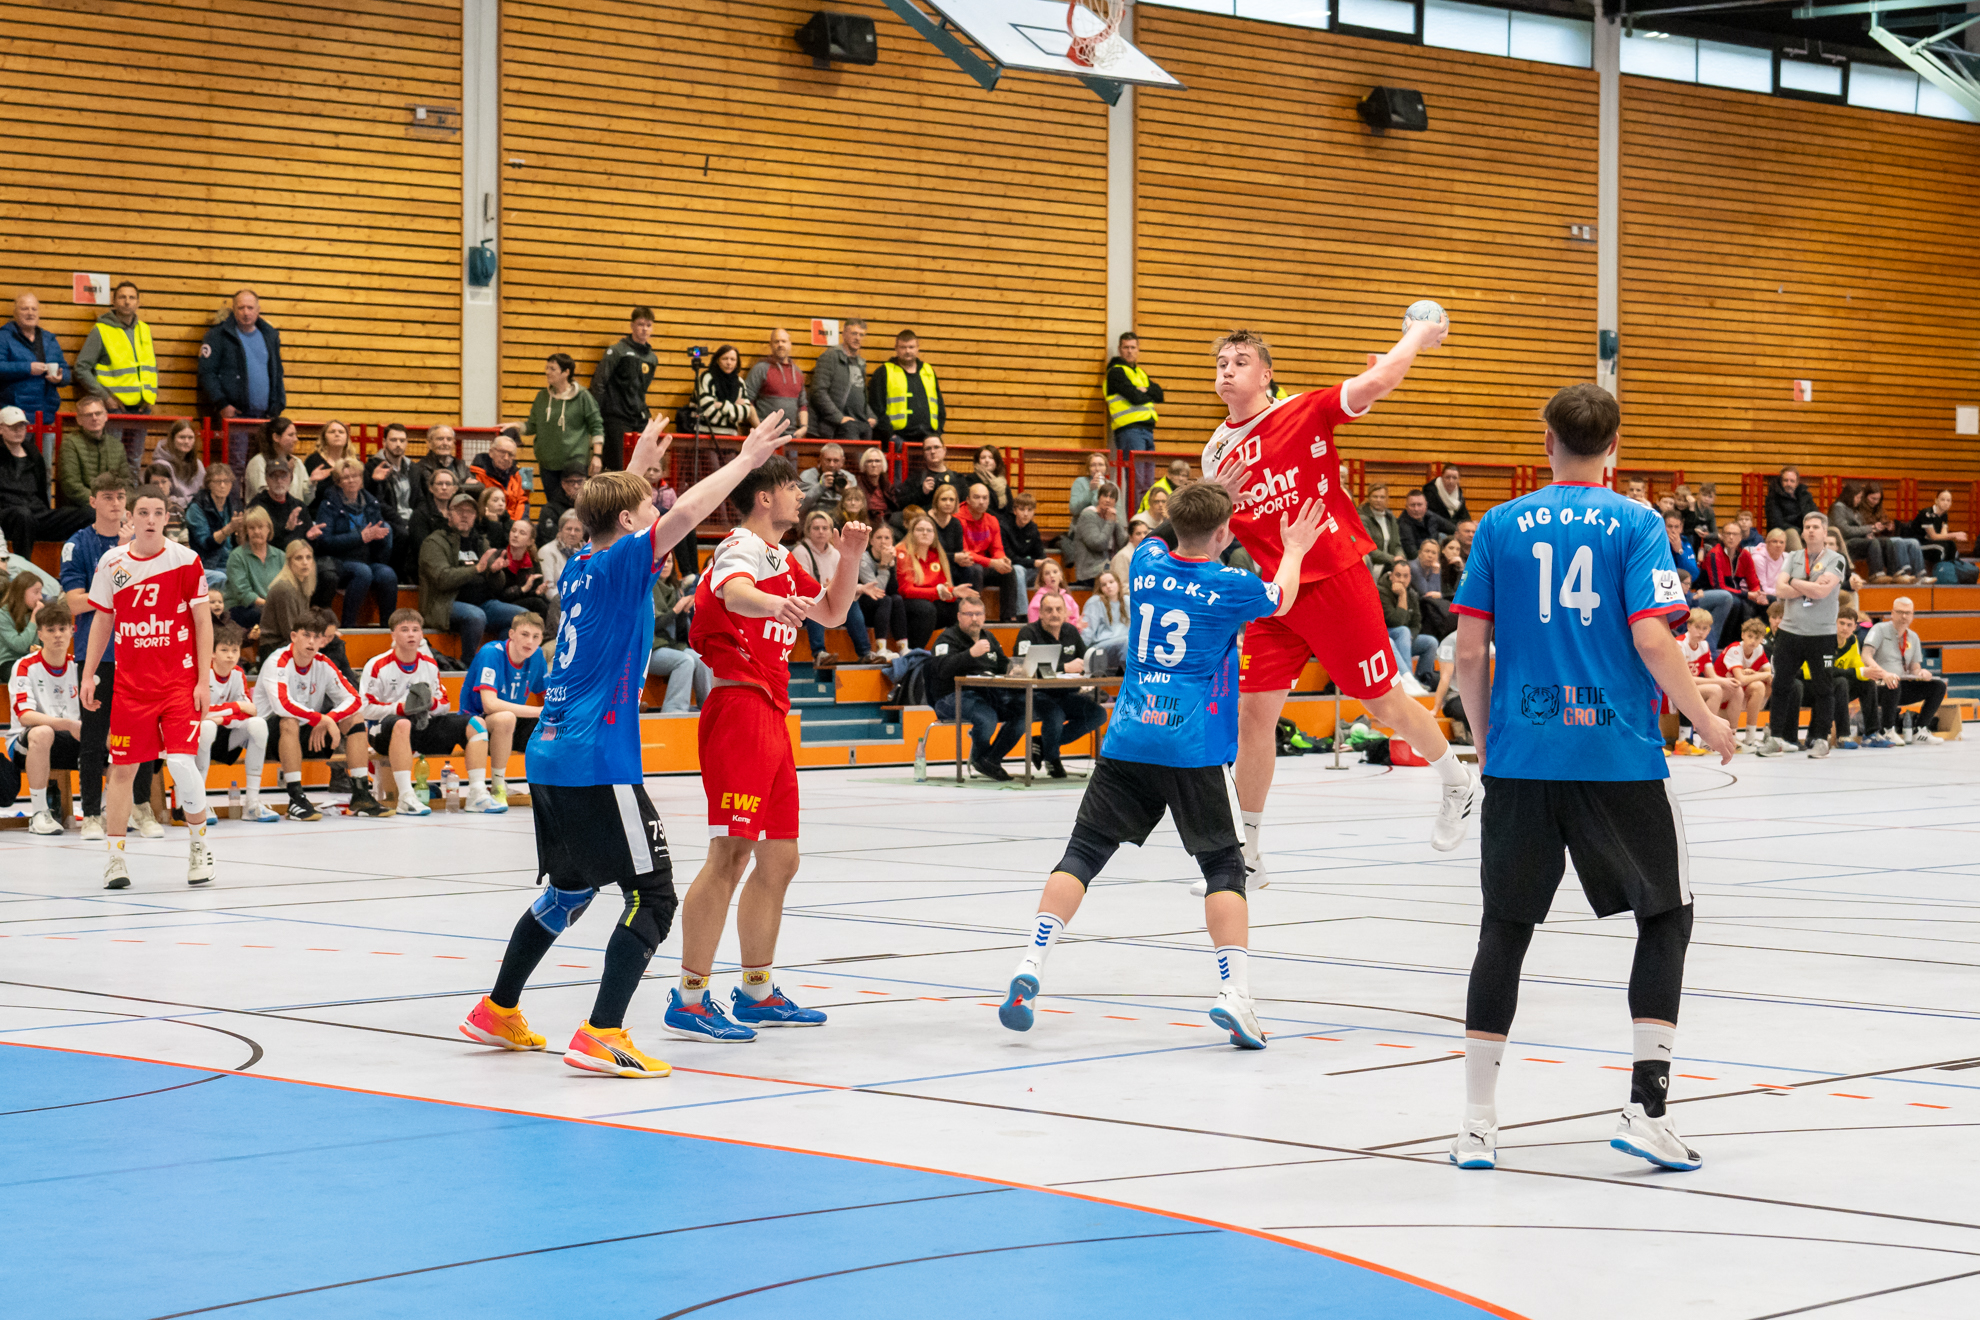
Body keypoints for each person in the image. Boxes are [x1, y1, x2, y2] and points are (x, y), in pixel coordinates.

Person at [1447, 381, 1733, 1175]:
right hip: (1617, 756)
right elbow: (1653, 637)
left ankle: (1476, 1126)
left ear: (1547, 442)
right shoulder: (1637, 524)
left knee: (1504, 928)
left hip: (1522, 756)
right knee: (1665, 915)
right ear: (1614, 447)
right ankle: (1646, 1109)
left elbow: (1468, 653)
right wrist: (1704, 720)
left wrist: (1488, 742)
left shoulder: (1498, 525)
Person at [456, 412, 795, 1077]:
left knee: (570, 892)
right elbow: (687, 513)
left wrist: (635, 466)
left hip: (550, 752)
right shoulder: (621, 561)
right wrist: (747, 461)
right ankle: (603, 1032)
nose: (657, 511)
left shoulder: (581, 564)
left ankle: (497, 1009)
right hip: (596, 759)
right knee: (654, 896)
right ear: (631, 523)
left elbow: (608, 510)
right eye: (647, 506)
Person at [1002, 482, 1325, 1045]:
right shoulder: (1231, 584)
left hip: (1129, 736)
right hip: (1193, 746)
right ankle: (1235, 995)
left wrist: (1211, 499)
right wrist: (1295, 547)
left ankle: (1031, 961)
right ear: (1223, 533)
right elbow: (1285, 597)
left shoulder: (1145, 563)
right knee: (1225, 867)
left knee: (1082, 853)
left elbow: (1170, 530)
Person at [1192, 324, 1477, 879]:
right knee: (1253, 717)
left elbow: (1378, 381)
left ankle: (1457, 780)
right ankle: (1246, 851)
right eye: (1221, 362)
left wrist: (1415, 337)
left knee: (1384, 705)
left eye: (1240, 361)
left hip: (1336, 580)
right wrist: (1219, 500)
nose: (1227, 370)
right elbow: (1215, 536)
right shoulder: (1216, 452)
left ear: (1266, 374)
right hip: (1277, 594)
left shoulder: (1303, 411)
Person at [79, 488, 215, 888]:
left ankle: (199, 845)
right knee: (122, 769)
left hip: (178, 683)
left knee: (180, 763)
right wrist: (88, 674)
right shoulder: (112, 562)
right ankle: (115, 859)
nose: (151, 519)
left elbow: (203, 621)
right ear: (130, 518)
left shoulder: (185, 560)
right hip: (131, 686)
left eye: (159, 512)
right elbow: (103, 620)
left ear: (167, 518)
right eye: (143, 512)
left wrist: (203, 680)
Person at [61, 472, 160, 841]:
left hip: (140, 650)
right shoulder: (78, 545)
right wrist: (118, 568)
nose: (116, 503)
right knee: (94, 737)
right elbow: (74, 602)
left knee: (143, 733)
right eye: (107, 496)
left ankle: (141, 808)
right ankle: (90, 814)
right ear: (93, 501)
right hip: (97, 654)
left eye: (120, 496)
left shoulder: (144, 543)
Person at [360, 608, 503, 815]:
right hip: (383, 731)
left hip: (422, 726)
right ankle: (406, 797)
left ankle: (477, 793)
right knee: (402, 723)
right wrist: (401, 708)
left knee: (476, 724)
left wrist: (430, 704)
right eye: (404, 630)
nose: (411, 634)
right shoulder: (376, 665)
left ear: (422, 635)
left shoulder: (429, 664)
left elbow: (444, 704)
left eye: (415, 630)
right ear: (393, 635)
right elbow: (365, 708)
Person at [254, 607, 381, 820]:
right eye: (306, 635)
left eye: (316, 637)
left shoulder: (323, 663)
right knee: (289, 720)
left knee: (355, 719)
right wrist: (320, 718)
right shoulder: (277, 662)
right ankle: (296, 799)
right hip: (267, 738)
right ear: (294, 636)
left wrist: (330, 718)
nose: (311, 642)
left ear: (323, 640)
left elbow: (355, 700)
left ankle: (361, 795)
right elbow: (283, 705)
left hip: (312, 733)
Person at [1755, 512, 1847, 758]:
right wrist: (1809, 585)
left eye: (1816, 527)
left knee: (1823, 688)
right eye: (1807, 527)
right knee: (1781, 685)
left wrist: (1794, 582)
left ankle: (1821, 739)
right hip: (1790, 632)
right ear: (1803, 532)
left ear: (1825, 532)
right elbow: (1779, 590)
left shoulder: (1836, 559)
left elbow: (1822, 593)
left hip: (1822, 635)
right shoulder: (1794, 557)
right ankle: (1776, 738)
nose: (1811, 530)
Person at [1011, 591, 1107, 777]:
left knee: (1098, 714)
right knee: (1055, 715)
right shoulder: (1028, 633)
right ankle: (1052, 758)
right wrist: (1065, 667)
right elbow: (1022, 667)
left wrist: (1092, 668)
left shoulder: (1071, 631)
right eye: (1049, 610)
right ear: (1040, 613)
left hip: (1066, 693)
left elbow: (1086, 660)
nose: (1054, 614)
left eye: (1058, 609)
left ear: (1065, 613)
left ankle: (1043, 743)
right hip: (1036, 694)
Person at [929, 595, 1025, 781]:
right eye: (969, 614)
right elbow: (941, 669)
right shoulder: (947, 638)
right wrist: (970, 654)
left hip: (987, 694)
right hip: (950, 696)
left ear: (984, 616)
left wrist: (1014, 670)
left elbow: (1003, 664)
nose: (974, 619)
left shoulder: (989, 637)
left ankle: (990, 759)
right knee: (987, 718)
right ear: (959, 616)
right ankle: (981, 758)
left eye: (978, 614)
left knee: (1023, 713)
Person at [460, 609, 550, 804]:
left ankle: (552, 787)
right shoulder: (491, 653)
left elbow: (549, 696)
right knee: (506, 718)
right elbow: (489, 704)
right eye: (524, 634)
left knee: (558, 724)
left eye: (536, 637)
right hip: (474, 720)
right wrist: (539, 711)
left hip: (511, 722)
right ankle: (498, 785)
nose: (530, 641)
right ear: (511, 634)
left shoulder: (537, 656)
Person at [9, 600, 82, 835]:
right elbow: (25, 716)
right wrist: (67, 724)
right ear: (40, 634)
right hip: (25, 743)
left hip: (71, 737)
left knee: (112, 735)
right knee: (43, 732)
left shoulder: (79, 667)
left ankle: (101, 810)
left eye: (62, 629)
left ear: (72, 631)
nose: (57, 635)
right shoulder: (24, 666)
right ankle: (39, 813)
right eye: (50, 630)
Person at [195, 621, 276, 822]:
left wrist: (222, 717)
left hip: (226, 736)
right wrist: (236, 707)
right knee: (207, 726)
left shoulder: (238, 673)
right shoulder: (202, 673)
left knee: (258, 724)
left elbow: (251, 711)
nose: (230, 655)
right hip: (198, 739)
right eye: (224, 650)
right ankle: (198, 804)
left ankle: (252, 804)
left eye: (235, 650)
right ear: (212, 653)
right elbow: (200, 713)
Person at [420, 491, 518, 659]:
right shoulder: (434, 542)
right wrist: (476, 569)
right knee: (475, 615)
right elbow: (442, 579)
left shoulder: (481, 542)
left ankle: (498, 661)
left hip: (482, 603)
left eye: (470, 512)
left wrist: (496, 572)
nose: (464, 515)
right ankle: (469, 666)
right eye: (459, 511)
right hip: (444, 603)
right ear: (449, 514)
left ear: (475, 517)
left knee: (519, 617)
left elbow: (497, 586)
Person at [0, 404, 92, 555]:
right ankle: (24, 567)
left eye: (22, 426)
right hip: (8, 515)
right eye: (12, 426)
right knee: (23, 515)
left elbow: (42, 490)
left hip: (38, 513)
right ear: (1, 429)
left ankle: (82, 562)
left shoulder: (34, 454)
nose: (18, 430)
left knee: (88, 515)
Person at [316, 459, 398, 627]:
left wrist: (380, 538)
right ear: (338, 482)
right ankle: (348, 626)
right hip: (339, 561)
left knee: (388, 574)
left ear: (361, 479)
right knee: (363, 572)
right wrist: (360, 537)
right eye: (346, 478)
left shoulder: (371, 503)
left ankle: (388, 628)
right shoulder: (328, 505)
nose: (351, 480)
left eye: (355, 476)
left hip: (366, 558)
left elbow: (378, 532)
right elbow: (325, 541)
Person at [791, 509, 875, 666]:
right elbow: (802, 587)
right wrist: (827, 587)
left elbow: (843, 583)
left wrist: (861, 588)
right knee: (815, 600)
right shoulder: (800, 551)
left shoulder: (836, 552)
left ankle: (865, 653)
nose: (821, 532)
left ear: (831, 531)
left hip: (830, 598)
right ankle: (819, 653)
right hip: (804, 603)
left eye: (825, 528)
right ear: (808, 530)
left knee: (852, 603)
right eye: (816, 528)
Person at [1863, 597, 1947, 746]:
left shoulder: (1913, 637)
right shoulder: (1879, 629)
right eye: (1900, 612)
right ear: (1892, 613)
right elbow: (1866, 655)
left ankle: (1920, 730)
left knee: (1938, 686)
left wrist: (1921, 673)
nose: (1904, 616)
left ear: (1912, 615)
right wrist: (1884, 674)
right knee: (1893, 682)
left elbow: (1914, 667)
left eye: (1908, 613)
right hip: (1878, 685)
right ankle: (1888, 731)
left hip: (1900, 685)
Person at [590, 306, 659, 470]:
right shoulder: (617, 351)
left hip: (637, 417)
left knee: (644, 464)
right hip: (616, 417)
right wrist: (595, 416)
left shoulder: (652, 358)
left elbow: (641, 390)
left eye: (648, 325)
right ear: (632, 325)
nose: (644, 329)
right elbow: (599, 383)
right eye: (640, 324)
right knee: (617, 466)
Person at [1104, 331, 1165, 497]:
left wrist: (1145, 390)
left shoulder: (1140, 373)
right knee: (1136, 481)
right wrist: (1145, 392)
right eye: (1126, 347)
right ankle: (1135, 515)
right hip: (1130, 432)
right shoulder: (1116, 372)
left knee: (1148, 483)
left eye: (1133, 347)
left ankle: (1145, 514)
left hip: (1147, 431)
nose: (1129, 351)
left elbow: (1160, 394)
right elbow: (1135, 397)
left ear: (1138, 349)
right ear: (1120, 349)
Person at [525, 352, 604, 479]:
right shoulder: (542, 397)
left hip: (575, 463)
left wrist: (597, 456)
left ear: (566, 372)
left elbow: (597, 426)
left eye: (552, 369)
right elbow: (532, 426)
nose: (547, 372)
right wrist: (515, 426)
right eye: (547, 368)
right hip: (547, 464)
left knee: (575, 493)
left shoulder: (583, 396)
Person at [647, 557, 710, 711]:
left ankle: (709, 708)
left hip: (671, 646)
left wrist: (685, 611)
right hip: (650, 649)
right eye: (661, 561)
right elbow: (652, 625)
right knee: (685, 661)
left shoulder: (676, 589)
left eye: (669, 561)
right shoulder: (647, 589)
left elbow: (681, 633)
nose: (665, 565)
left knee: (702, 659)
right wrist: (676, 610)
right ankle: (674, 711)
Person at [897, 510, 972, 638]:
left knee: (956, 606)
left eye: (929, 530)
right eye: (920, 530)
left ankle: (952, 644)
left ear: (934, 535)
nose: (925, 533)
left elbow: (943, 590)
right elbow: (906, 591)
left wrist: (954, 592)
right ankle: (916, 648)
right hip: (906, 604)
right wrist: (937, 591)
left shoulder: (937, 556)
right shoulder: (903, 553)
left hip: (929, 604)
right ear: (912, 533)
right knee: (926, 608)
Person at [58, 396, 137, 510]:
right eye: (88, 415)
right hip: (81, 509)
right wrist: (102, 504)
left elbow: (127, 483)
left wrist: (120, 503)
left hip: (114, 507)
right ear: (79, 420)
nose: (94, 418)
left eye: (98, 413)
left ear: (106, 416)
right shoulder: (70, 443)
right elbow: (71, 486)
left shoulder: (117, 445)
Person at [869, 328, 944, 446]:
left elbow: (939, 405)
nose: (907, 351)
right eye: (903, 347)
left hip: (928, 439)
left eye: (911, 347)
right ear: (896, 348)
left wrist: (937, 433)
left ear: (918, 348)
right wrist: (889, 435)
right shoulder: (884, 372)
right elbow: (876, 408)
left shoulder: (928, 371)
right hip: (898, 439)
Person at [1, 291, 67, 421]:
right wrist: (28, 368)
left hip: (46, 413)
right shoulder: (3, 337)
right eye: (24, 309)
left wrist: (60, 378)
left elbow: (65, 370)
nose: (30, 313)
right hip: (14, 415)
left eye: (34, 309)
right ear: (15, 313)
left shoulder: (50, 339)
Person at [808, 317, 875, 441]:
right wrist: (839, 418)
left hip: (861, 424)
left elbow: (861, 396)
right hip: (837, 426)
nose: (858, 338)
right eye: (854, 333)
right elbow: (818, 392)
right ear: (844, 334)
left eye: (861, 335)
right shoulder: (830, 356)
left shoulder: (860, 362)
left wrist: (871, 415)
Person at [957, 481, 1015, 620]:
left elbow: (997, 549)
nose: (981, 502)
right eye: (977, 497)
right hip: (964, 566)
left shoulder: (992, 520)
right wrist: (993, 563)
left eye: (985, 498)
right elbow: (965, 552)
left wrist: (1002, 560)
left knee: (1009, 571)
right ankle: (974, 615)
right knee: (975, 569)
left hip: (984, 565)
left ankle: (1008, 618)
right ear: (968, 500)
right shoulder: (957, 519)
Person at [1830, 480, 1905, 584]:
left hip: (1857, 541)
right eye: (1858, 497)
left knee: (1886, 541)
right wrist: (1870, 528)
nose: (1859, 500)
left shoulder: (1854, 509)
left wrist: (1867, 534)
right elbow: (1844, 530)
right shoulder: (1838, 507)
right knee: (1873, 542)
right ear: (1850, 496)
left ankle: (1894, 574)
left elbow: (1859, 528)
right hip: (1845, 542)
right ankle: (1876, 574)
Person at [366, 423, 418, 571]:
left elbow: (420, 498)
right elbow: (376, 501)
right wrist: (400, 521)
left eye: (402, 440)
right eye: (393, 440)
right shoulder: (372, 466)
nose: (398, 444)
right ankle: (398, 575)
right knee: (402, 534)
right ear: (384, 442)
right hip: (387, 518)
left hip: (411, 518)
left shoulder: (413, 468)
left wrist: (416, 520)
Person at [1378, 557, 1435, 690]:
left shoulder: (1412, 594)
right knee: (1403, 630)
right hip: (1384, 639)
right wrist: (1402, 596)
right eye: (1398, 575)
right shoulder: (1381, 591)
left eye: (1405, 576)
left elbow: (1416, 623)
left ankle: (1422, 681)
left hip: (1403, 640)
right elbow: (1395, 621)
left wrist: (1411, 636)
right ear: (1391, 576)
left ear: (1410, 578)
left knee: (1430, 642)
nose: (1401, 580)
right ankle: (1409, 681)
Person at [1716, 617, 1773, 749]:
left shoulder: (1759, 650)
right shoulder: (1735, 649)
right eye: (1750, 636)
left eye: (1757, 638)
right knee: (1741, 688)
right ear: (1743, 635)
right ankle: (1732, 735)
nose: (1753, 641)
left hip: (1737, 693)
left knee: (1759, 686)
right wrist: (1762, 675)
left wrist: (1759, 675)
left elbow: (1769, 676)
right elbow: (1741, 679)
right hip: (1722, 693)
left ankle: (1750, 737)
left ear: (1762, 639)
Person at [223, 506, 280, 633]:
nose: (256, 531)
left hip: (270, 608)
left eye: (260, 527)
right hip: (242, 609)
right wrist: (271, 606)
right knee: (267, 614)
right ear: (246, 531)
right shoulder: (237, 556)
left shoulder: (281, 556)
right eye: (252, 528)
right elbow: (243, 594)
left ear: (269, 528)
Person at [855, 523, 908, 660]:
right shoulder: (863, 558)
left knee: (897, 599)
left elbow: (893, 589)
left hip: (882, 605)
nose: (883, 541)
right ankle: (881, 649)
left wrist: (891, 564)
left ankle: (903, 647)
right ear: (871, 541)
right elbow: (876, 590)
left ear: (892, 542)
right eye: (879, 538)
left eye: (887, 538)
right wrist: (884, 565)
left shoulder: (893, 556)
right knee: (885, 600)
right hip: (862, 602)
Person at [746, 328, 809, 438]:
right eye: (776, 341)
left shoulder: (798, 373)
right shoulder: (760, 369)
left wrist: (804, 427)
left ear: (790, 344)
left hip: (791, 436)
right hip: (765, 436)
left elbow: (803, 405)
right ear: (771, 345)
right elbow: (747, 401)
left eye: (783, 341)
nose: (780, 345)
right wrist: (759, 428)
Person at [248, 457, 314, 558]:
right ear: (266, 480)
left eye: (283, 476)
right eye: (273, 476)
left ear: (290, 478)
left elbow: (309, 545)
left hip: (298, 559)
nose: (279, 481)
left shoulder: (299, 506)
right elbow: (259, 543)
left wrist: (312, 538)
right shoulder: (257, 506)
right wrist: (287, 530)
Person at [1861, 484, 1927, 581]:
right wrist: (1873, 528)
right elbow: (1860, 529)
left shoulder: (1880, 509)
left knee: (1914, 542)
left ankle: (1919, 575)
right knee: (1898, 540)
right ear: (1866, 496)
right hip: (1872, 541)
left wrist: (1889, 528)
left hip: (1884, 539)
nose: (1876, 502)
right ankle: (1901, 572)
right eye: (1873, 498)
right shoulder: (1859, 510)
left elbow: (1886, 527)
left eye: (1878, 499)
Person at [891, 434, 966, 516]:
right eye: (928, 449)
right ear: (924, 453)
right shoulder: (916, 477)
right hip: (924, 520)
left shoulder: (958, 479)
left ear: (944, 450)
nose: (932, 452)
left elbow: (965, 507)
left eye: (936, 447)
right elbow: (901, 503)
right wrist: (921, 492)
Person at [1069, 480, 1128, 584]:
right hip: (1090, 572)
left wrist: (1117, 522)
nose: (1108, 500)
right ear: (1098, 497)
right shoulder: (1088, 515)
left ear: (1115, 502)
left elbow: (1122, 544)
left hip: (1107, 568)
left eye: (1112, 497)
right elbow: (1097, 544)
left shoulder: (1111, 517)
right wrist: (1110, 522)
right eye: (1105, 496)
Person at [244, 416, 312, 506]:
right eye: (290, 435)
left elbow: (306, 500)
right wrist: (288, 476)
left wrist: (312, 483)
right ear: (276, 437)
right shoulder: (258, 463)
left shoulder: (297, 462)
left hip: (295, 512)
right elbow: (265, 498)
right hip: (265, 514)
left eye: (296, 435)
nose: (296, 439)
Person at [692, 343, 757, 434]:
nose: (729, 363)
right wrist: (734, 409)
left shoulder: (740, 382)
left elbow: (745, 412)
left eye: (733, 359)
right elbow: (707, 412)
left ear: (737, 363)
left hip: (731, 434)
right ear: (717, 360)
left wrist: (720, 405)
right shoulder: (707, 378)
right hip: (705, 432)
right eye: (725, 358)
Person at [468, 429, 529, 522]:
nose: (506, 458)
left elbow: (523, 503)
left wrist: (514, 524)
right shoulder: (475, 475)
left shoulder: (520, 475)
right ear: (491, 452)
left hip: (513, 525)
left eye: (510, 454)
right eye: (502, 452)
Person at [1082, 569, 1130, 676]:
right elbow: (1088, 630)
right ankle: (1130, 674)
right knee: (1127, 641)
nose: (1108, 586)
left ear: (1118, 583)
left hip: (1126, 643)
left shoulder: (1128, 600)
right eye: (1104, 585)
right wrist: (1082, 654)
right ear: (1100, 588)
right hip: (1101, 646)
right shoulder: (1095, 602)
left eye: (1111, 582)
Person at [407, 465, 460, 562]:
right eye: (439, 484)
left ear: (455, 489)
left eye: (448, 484)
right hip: (429, 562)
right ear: (431, 488)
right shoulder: (420, 514)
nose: (444, 487)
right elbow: (421, 548)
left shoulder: (459, 513)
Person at [151, 419, 206, 513]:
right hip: (172, 512)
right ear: (172, 439)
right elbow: (163, 499)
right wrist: (193, 501)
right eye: (182, 437)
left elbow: (204, 493)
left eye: (190, 437)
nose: (186, 441)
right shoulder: (161, 465)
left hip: (196, 510)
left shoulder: (198, 464)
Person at [411, 424, 471, 509]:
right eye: (440, 439)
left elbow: (479, 487)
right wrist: (464, 486)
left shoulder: (460, 465)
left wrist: (454, 488)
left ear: (453, 443)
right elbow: (433, 492)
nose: (445, 443)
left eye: (449, 439)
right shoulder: (421, 467)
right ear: (429, 443)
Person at [1911, 489, 1969, 569]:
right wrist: (1955, 534)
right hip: (1918, 544)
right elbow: (1933, 536)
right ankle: (1941, 570)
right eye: (1942, 500)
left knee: (1951, 544)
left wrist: (1951, 536)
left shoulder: (1944, 515)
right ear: (1936, 501)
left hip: (1930, 543)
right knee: (1940, 548)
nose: (1946, 503)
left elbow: (1944, 536)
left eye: (1948, 500)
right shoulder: (1927, 513)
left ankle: (1952, 569)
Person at [538, 509, 583, 612]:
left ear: (582, 533)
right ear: (560, 530)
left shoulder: (588, 552)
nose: (572, 533)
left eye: (577, 530)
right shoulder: (547, 551)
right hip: (559, 603)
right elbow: (548, 590)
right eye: (568, 529)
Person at [0, 571, 44, 670]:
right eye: (36, 592)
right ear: (22, 592)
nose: (40, 597)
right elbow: (20, 645)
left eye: (41, 592)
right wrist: (34, 618)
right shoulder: (2, 615)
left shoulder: (36, 611)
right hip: (9, 661)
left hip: (33, 660)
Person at [799, 442, 854, 518]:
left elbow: (857, 509)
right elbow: (800, 506)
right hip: (814, 519)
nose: (831, 465)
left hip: (840, 520)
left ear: (842, 462)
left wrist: (846, 493)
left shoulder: (849, 478)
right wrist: (820, 487)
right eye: (828, 460)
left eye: (836, 461)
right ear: (820, 460)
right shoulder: (808, 475)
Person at [1765, 467, 1816, 551]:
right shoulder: (1773, 497)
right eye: (1786, 480)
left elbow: (1815, 515)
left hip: (1805, 532)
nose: (1788, 484)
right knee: (1792, 533)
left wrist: (1809, 530)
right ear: (1781, 481)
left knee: (1831, 531)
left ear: (1797, 483)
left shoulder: (1805, 496)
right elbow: (1776, 523)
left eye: (1792, 481)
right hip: (1783, 533)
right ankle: (1801, 559)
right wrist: (1801, 531)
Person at [301, 419, 356, 495]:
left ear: (347, 438)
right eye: (332, 432)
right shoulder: (313, 461)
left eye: (341, 432)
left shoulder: (355, 463)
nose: (337, 434)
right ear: (324, 438)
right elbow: (304, 493)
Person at [1397, 488, 1453, 562]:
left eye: (1419, 505)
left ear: (1426, 505)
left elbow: (1454, 529)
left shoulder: (1431, 516)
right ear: (1406, 507)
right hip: (1416, 563)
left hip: (1435, 557)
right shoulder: (1403, 524)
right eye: (1412, 505)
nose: (1416, 509)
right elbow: (1412, 555)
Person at [1360, 483, 1405, 572]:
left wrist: (1400, 557)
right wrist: (1392, 559)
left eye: (1382, 497)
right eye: (1375, 497)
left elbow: (1397, 545)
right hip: (1372, 564)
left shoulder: (1391, 518)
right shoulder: (1362, 518)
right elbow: (1369, 549)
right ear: (1369, 498)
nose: (1378, 500)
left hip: (1390, 564)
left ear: (1387, 499)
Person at [853, 445, 892, 528]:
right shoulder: (857, 483)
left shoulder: (886, 484)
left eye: (877, 461)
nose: (874, 465)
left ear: (883, 464)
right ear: (864, 465)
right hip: (866, 522)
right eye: (869, 461)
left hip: (887, 523)